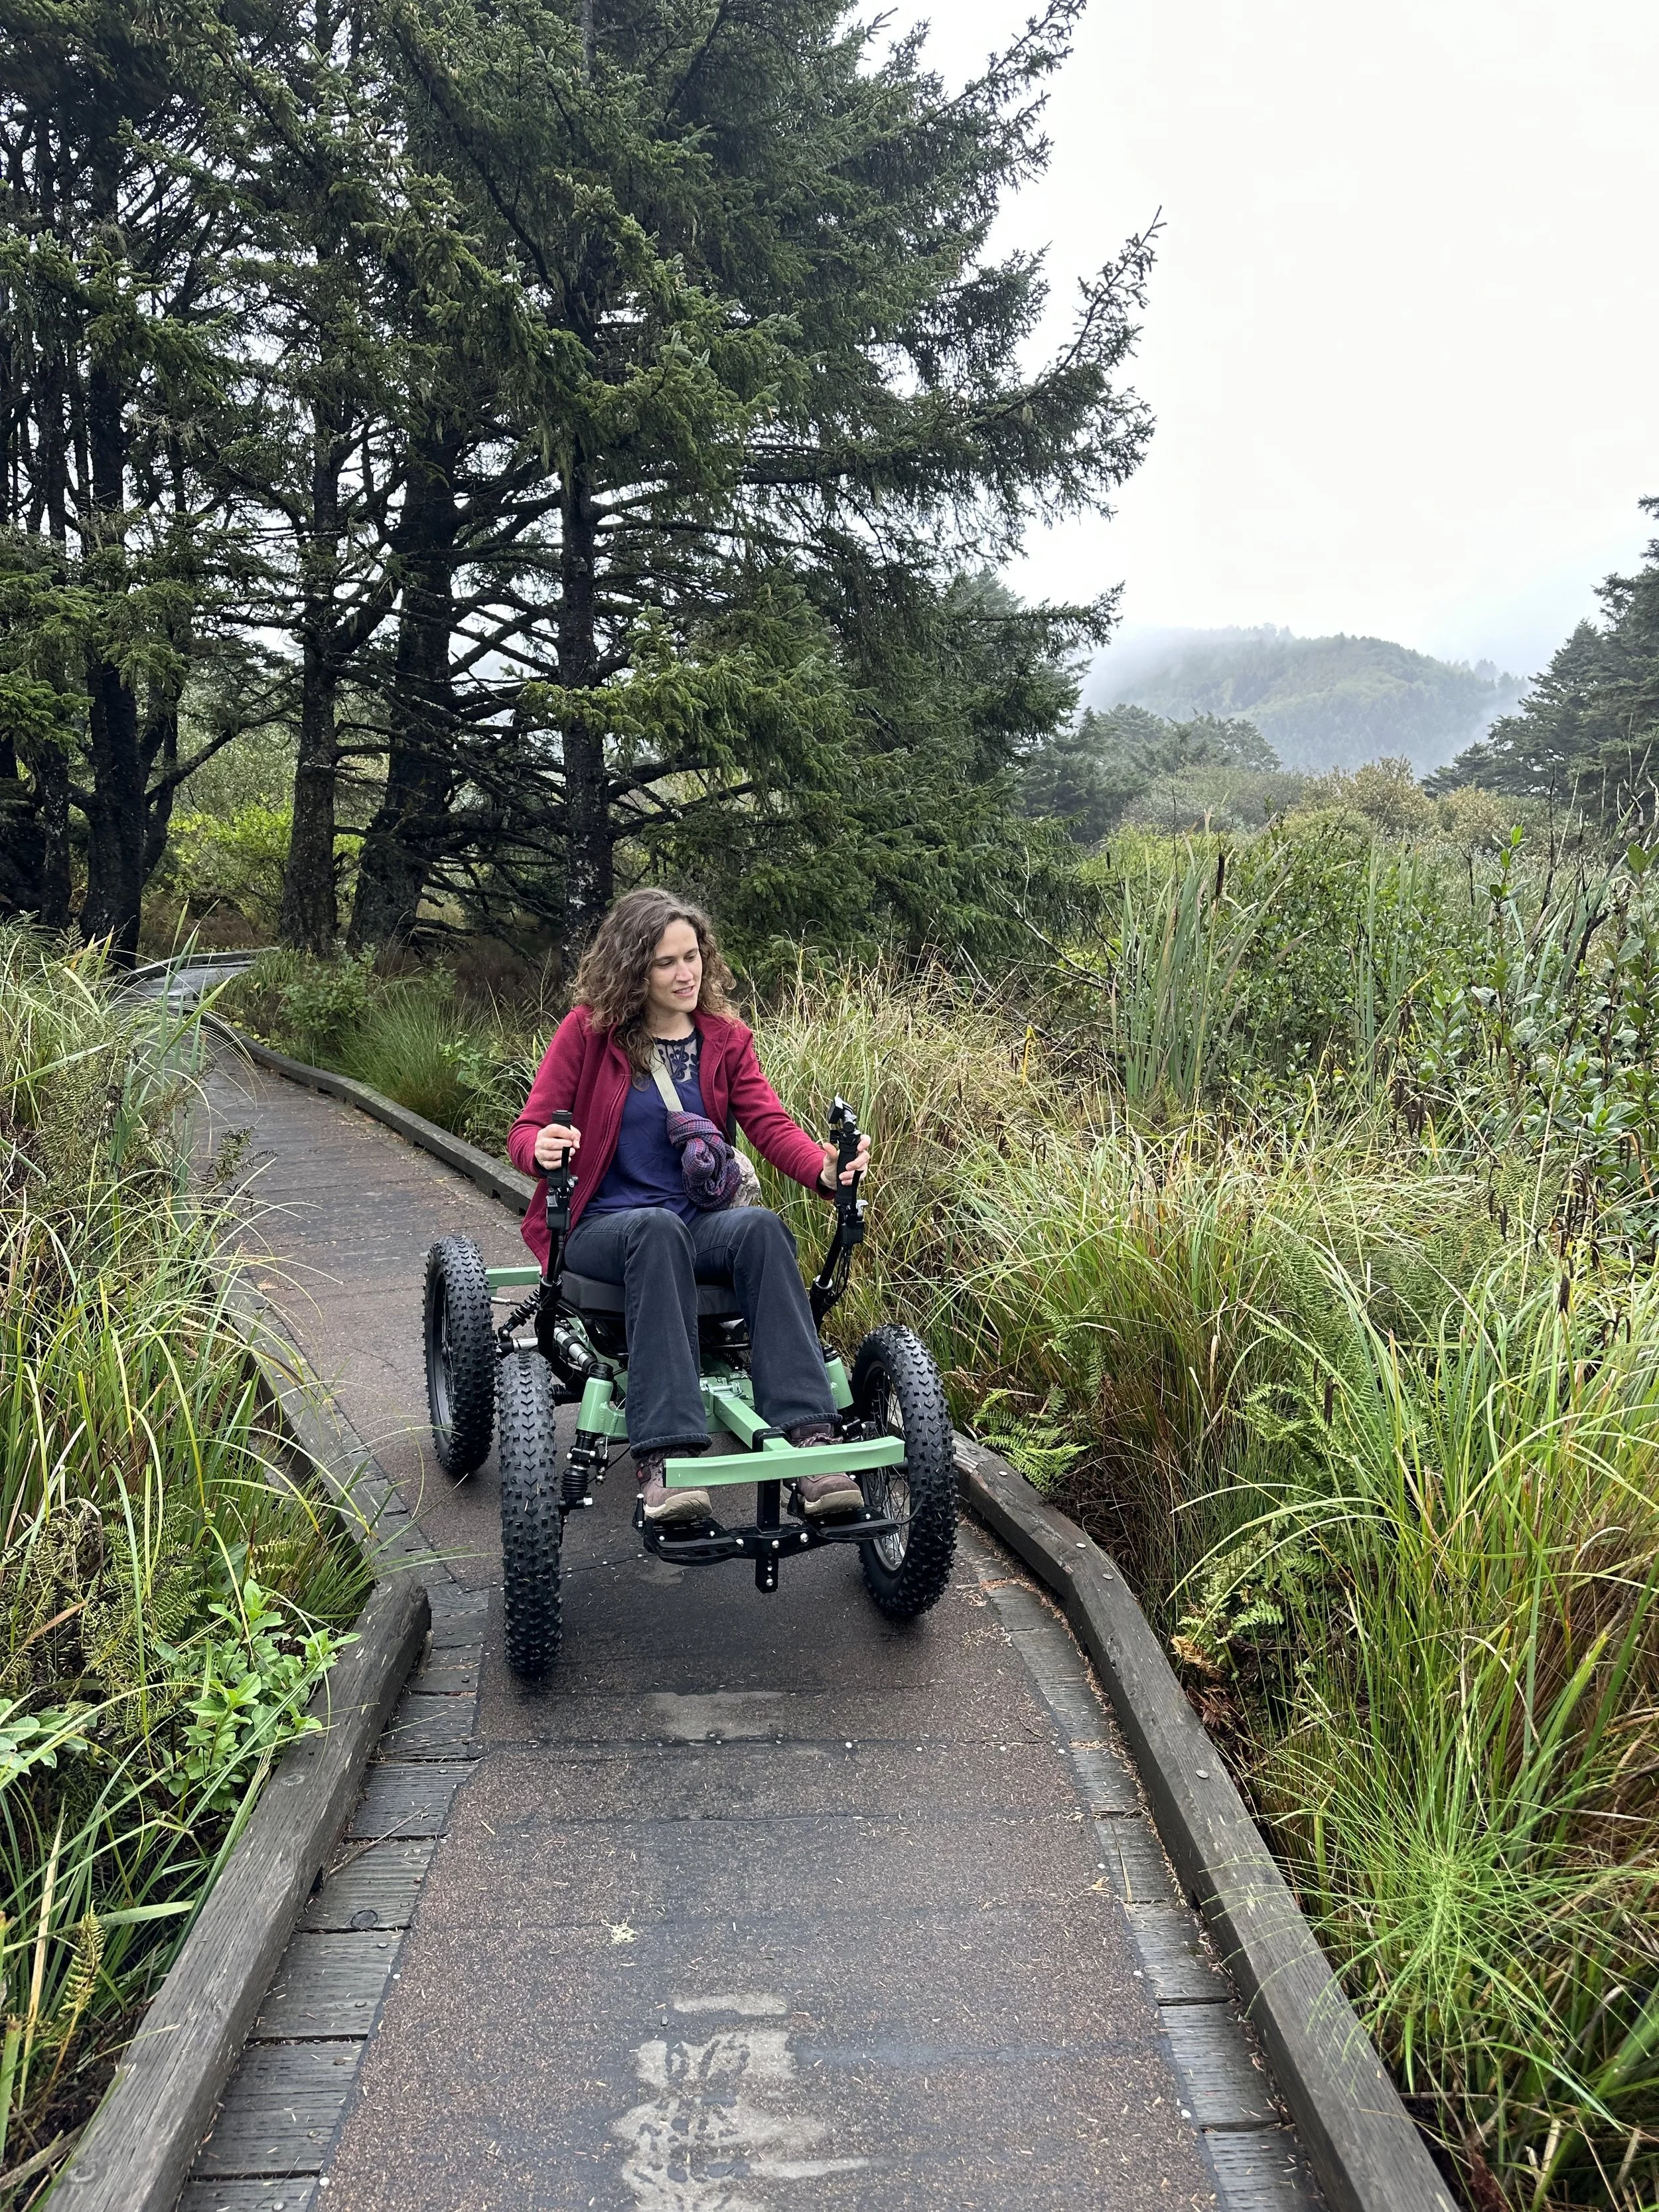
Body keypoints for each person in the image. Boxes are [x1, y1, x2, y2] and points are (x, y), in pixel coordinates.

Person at [506, 888, 872, 1527]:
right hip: (602, 1226)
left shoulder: (725, 1040)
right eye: (667, 962)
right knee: (657, 1229)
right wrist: (540, 1147)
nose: (687, 972)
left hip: (696, 1223)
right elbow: (525, 1130)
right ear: (633, 969)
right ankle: (667, 1458)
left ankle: (813, 1441)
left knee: (759, 1227)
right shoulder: (588, 1034)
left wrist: (825, 1167)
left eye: (694, 956)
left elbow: (769, 1124)